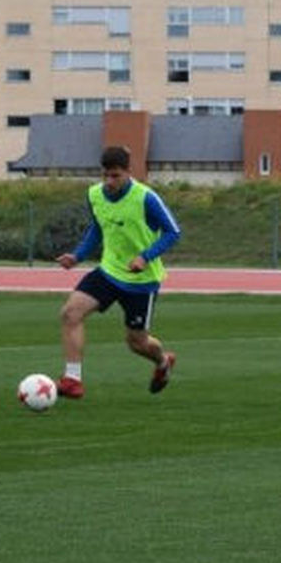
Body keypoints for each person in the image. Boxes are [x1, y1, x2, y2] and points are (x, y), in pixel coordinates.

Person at [55, 146, 182, 399]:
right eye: (106, 176)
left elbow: (173, 232)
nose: (110, 182)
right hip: (109, 271)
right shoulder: (94, 195)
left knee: (137, 343)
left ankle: (162, 361)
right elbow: (98, 228)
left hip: (141, 281)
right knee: (70, 313)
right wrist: (78, 255)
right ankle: (72, 380)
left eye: (116, 176)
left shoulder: (146, 197)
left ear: (128, 172)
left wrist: (145, 257)